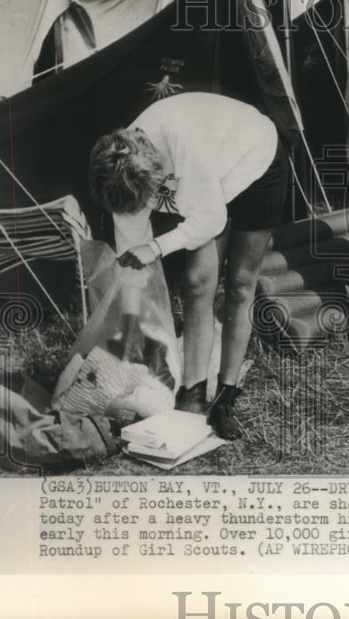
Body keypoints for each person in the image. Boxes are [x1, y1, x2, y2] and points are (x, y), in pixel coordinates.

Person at [88, 92, 289, 440]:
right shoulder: (120, 168)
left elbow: (209, 219)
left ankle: (226, 395)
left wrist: (157, 246)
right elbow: (133, 263)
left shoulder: (183, 143)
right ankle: (193, 393)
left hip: (256, 162)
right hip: (212, 175)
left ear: (154, 175)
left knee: (241, 283)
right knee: (197, 282)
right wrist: (130, 324)